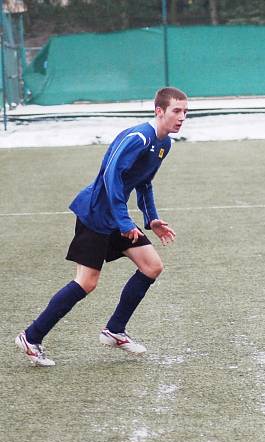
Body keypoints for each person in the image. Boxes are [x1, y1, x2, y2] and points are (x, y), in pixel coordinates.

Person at [14, 87, 189, 367]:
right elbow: (110, 176)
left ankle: (114, 330)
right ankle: (31, 337)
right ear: (159, 111)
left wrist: (151, 218)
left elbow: (144, 183)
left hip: (115, 216)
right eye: (176, 111)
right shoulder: (138, 137)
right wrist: (122, 221)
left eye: (185, 112)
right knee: (86, 282)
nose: (182, 117)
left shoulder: (164, 144)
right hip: (95, 213)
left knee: (151, 266)